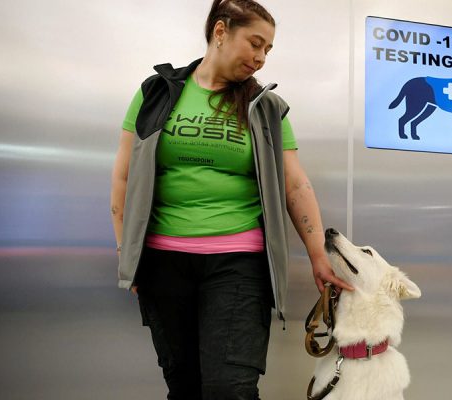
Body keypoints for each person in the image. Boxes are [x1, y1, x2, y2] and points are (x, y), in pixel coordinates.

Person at [109, 1, 353, 398]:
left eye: (267, 50)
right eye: (255, 44)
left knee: (230, 389)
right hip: (163, 263)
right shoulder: (156, 93)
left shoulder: (266, 107)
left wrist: (317, 256)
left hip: (238, 264)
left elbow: (295, 186)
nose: (261, 58)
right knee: (184, 387)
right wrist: (127, 252)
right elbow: (124, 176)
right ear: (220, 32)